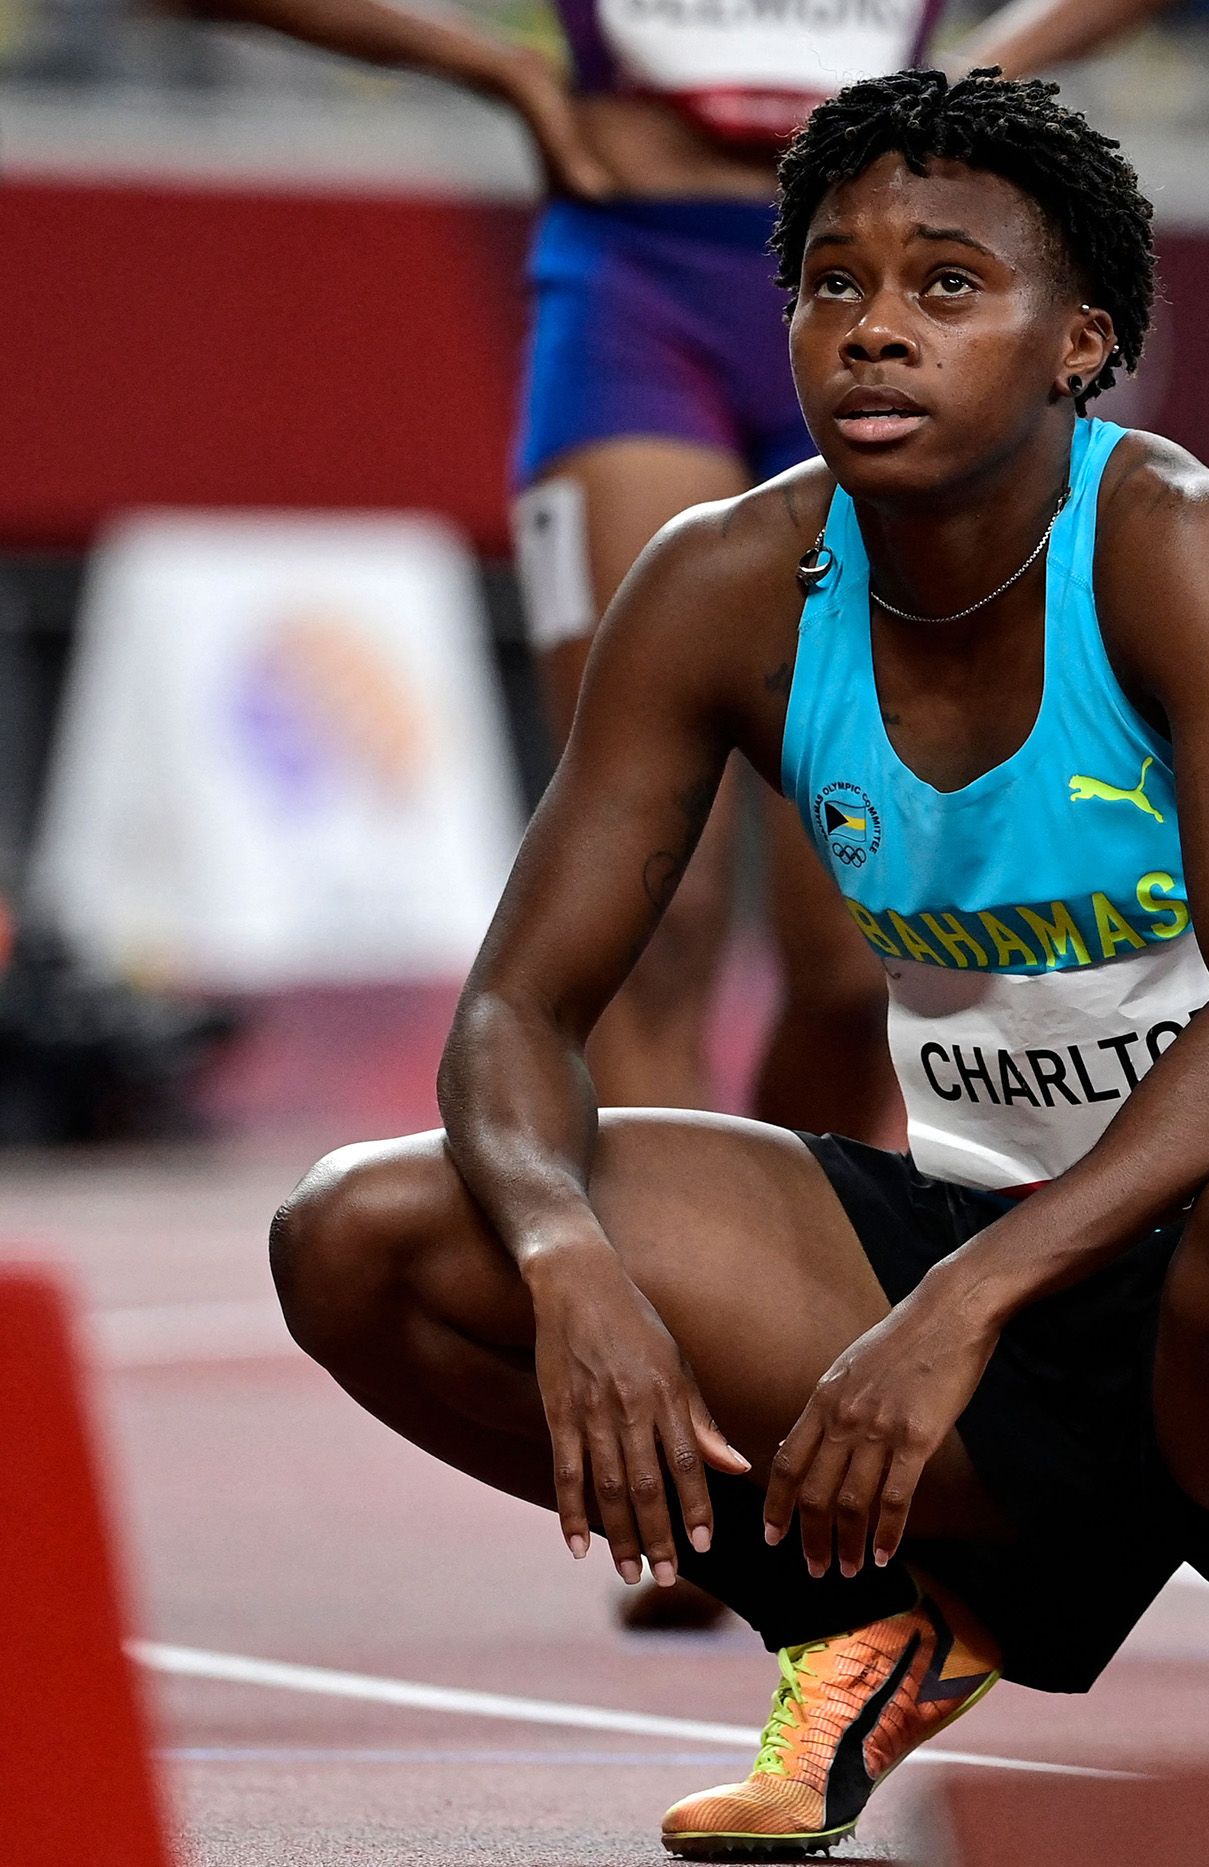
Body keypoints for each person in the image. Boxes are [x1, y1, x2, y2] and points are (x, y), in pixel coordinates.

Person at [266, 69, 1209, 1865]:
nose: (875, 329)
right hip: (963, 1228)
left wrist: (954, 1313)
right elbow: (514, 1014)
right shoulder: (727, 582)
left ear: (1079, 344)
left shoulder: (1187, 547)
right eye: (832, 284)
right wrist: (571, 1262)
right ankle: (866, 1631)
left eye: (949, 285)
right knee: (363, 1236)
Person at [188, 0, 940, 1628]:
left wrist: (1008, 46)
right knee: (652, 924)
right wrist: (502, 70)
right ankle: (678, 1434)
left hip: (874, 268)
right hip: (637, 290)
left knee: (856, 952)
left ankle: (812, 1364)